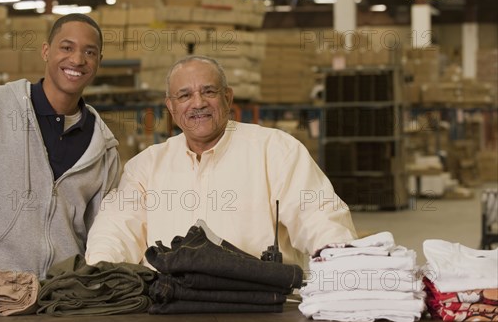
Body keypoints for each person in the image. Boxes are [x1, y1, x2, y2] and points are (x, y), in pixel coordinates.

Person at [85, 55, 356, 268]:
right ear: (171, 107)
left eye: (209, 92)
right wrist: (99, 276)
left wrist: (343, 264)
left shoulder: (276, 151)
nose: (198, 103)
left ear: (227, 98)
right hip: (167, 313)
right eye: (185, 95)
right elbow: (116, 230)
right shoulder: (145, 167)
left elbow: (318, 216)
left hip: (262, 310)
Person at [0, 14, 121, 279]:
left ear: (99, 61)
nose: (77, 60)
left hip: (64, 300)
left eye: (89, 52)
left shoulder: (104, 147)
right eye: (66, 48)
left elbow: (103, 233)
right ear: (46, 51)